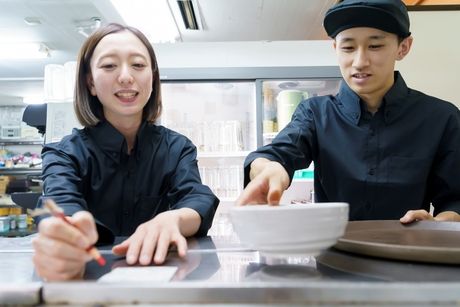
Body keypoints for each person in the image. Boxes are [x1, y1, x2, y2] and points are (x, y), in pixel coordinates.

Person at [237, 0, 460, 224]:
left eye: (375, 46)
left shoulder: (442, 118)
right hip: (334, 256)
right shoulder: (315, 113)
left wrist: (438, 225)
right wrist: (270, 169)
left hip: (411, 254)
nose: (360, 62)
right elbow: (277, 154)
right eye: (348, 47)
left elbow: (455, 202)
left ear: (403, 47)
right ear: (335, 49)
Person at [32, 23, 219, 281]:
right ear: (90, 83)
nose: (125, 76)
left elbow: (197, 198)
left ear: (152, 78)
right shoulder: (64, 153)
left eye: (138, 65)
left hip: (162, 286)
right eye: (109, 66)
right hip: (88, 283)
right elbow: (62, 204)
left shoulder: (177, 148)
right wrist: (69, 234)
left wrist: (174, 219)